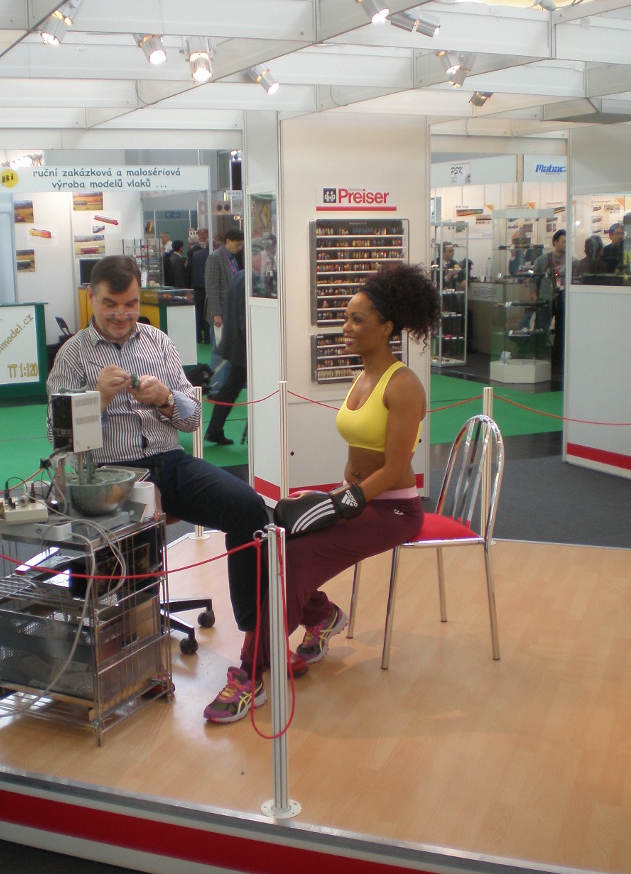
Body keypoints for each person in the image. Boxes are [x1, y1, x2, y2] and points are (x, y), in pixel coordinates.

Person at [204, 263, 441, 723]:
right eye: (345, 317)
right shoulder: (363, 376)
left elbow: (396, 468)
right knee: (271, 541)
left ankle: (251, 674)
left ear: (386, 328)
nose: (345, 327)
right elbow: (359, 456)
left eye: (357, 320)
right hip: (356, 498)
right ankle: (322, 615)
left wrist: (344, 504)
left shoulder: (404, 385)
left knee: (292, 560)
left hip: (393, 511)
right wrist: (332, 497)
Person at [46, 255, 269, 669]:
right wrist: (97, 399)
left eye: (130, 304)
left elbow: (193, 418)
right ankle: (123, 648)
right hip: (112, 474)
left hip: (170, 462)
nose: (122, 314)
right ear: (91, 297)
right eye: (111, 304)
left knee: (249, 508)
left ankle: (257, 636)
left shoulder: (158, 342)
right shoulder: (72, 355)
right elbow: (60, 440)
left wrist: (166, 399)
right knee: (134, 541)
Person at [203, 245, 260, 446]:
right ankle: (215, 430)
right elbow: (244, 316)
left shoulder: (240, 277)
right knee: (233, 388)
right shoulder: (249, 280)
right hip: (244, 345)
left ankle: (214, 430)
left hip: (237, 343)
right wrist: (251, 343)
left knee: (230, 388)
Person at [531, 229, 577, 372]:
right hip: (545, 300)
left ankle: (557, 363)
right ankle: (538, 361)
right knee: (541, 330)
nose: (566, 244)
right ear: (555, 242)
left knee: (562, 333)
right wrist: (535, 297)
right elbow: (533, 281)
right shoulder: (541, 261)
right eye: (563, 241)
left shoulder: (572, 261)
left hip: (564, 301)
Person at [205, 227, 244, 391]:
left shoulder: (233, 258)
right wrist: (216, 314)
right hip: (219, 315)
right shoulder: (214, 258)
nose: (239, 248)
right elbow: (212, 288)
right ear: (227, 242)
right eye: (237, 245)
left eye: (241, 245)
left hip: (232, 314)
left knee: (229, 351)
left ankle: (226, 385)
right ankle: (215, 387)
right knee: (218, 352)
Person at [186, 228, 210, 343]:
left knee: (198, 311)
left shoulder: (195, 254)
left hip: (196, 285)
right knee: (207, 311)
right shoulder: (212, 255)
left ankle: (198, 336)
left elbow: (189, 270)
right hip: (208, 286)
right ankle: (207, 337)